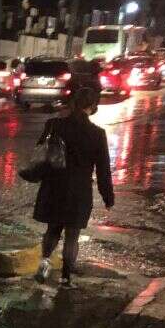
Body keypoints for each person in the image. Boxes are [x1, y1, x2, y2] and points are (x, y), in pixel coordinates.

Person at [33, 86, 114, 288]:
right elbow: (103, 169)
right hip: (78, 191)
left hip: (54, 186)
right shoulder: (97, 134)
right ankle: (66, 278)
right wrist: (107, 197)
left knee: (53, 229)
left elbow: (41, 151)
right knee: (72, 235)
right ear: (93, 106)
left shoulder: (54, 125)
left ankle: (44, 264)